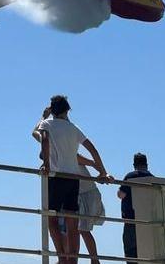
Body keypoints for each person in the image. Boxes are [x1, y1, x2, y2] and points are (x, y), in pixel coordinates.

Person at [37, 94, 107, 264]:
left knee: (51, 218)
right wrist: (103, 172)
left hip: (57, 177)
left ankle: (61, 255)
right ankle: (72, 258)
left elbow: (41, 138)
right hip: (73, 179)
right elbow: (93, 149)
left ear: (52, 110)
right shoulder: (74, 128)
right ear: (67, 110)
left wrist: (46, 164)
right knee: (72, 221)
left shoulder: (47, 124)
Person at [117, 153, 154, 264]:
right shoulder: (152, 178)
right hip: (148, 221)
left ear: (134, 165)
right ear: (146, 164)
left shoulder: (130, 177)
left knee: (131, 251)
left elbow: (121, 194)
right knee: (147, 252)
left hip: (131, 219)